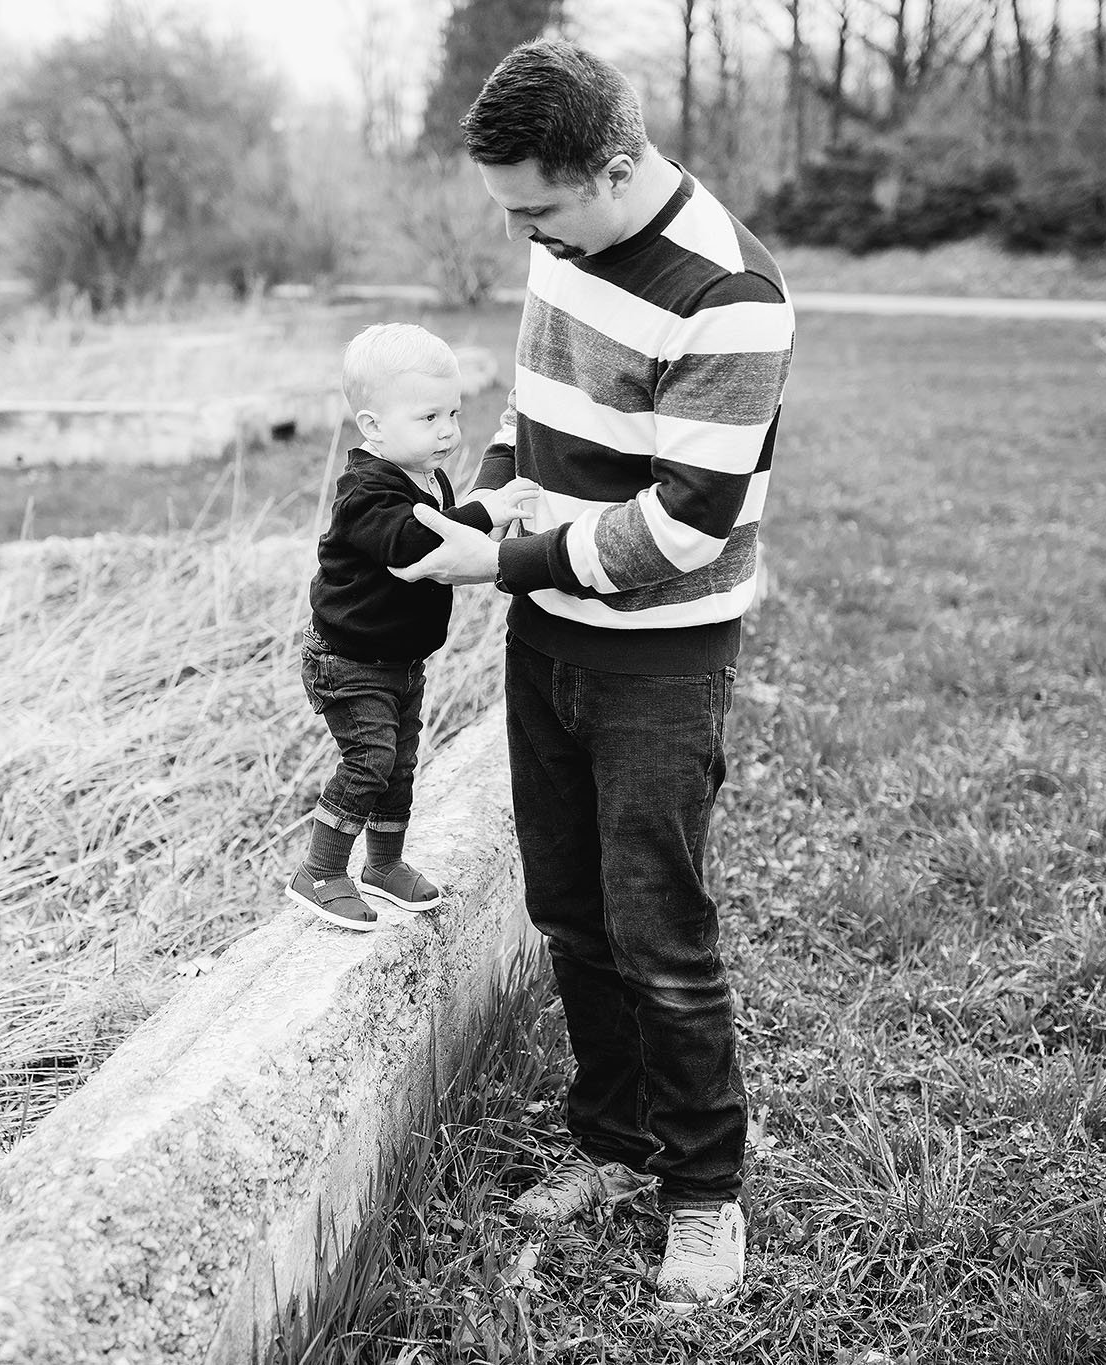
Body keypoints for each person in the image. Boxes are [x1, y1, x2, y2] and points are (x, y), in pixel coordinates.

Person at [390, 40, 794, 1309]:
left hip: (660, 658)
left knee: (658, 932)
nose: (522, 236)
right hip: (549, 631)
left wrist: (504, 558)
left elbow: (687, 523)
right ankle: (615, 1148)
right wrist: (504, 474)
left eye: (534, 210)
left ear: (613, 171)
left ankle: (702, 1194)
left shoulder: (730, 296)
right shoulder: (560, 234)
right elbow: (538, 397)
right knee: (569, 911)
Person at [289, 323, 538, 931]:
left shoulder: (427, 476)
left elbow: (446, 531)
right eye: (429, 418)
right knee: (370, 759)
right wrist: (486, 511)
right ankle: (320, 872)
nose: (448, 431)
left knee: (400, 763)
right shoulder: (366, 493)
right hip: (348, 661)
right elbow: (409, 546)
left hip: (400, 660)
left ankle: (385, 864)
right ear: (373, 426)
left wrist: (479, 523)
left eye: (453, 413)